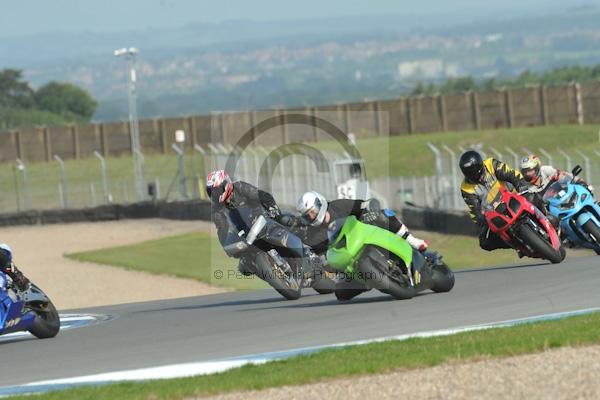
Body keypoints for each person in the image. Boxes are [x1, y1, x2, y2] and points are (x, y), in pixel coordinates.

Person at [293, 191, 430, 300]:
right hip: (350, 262)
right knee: (341, 294)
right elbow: (319, 255)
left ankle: (411, 240)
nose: (311, 216)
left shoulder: (339, 206)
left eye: (313, 211)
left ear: (320, 204)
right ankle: (368, 281)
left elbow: (363, 205)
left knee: (383, 214)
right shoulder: (312, 233)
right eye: (307, 216)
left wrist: (371, 210)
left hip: (364, 236)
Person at [206, 170, 314, 279]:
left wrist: (272, 208)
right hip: (246, 234)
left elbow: (261, 195)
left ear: (226, 184)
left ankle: (306, 248)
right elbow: (222, 229)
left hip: (263, 217)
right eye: (212, 192)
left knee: (284, 220)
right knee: (244, 266)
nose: (215, 194)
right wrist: (227, 246)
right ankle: (275, 275)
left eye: (217, 190)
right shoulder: (217, 211)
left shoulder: (239, 187)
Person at [459, 150, 531, 253]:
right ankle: (517, 246)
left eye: (480, 173)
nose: (480, 178)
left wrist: (521, 186)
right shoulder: (466, 189)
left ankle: (548, 217)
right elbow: (475, 212)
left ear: (482, 166)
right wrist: (484, 222)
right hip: (494, 214)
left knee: (533, 197)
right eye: (474, 177)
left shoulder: (491, 164)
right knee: (485, 242)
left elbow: (511, 174)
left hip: (513, 197)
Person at [520, 154, 593, 195]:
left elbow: (562, 174)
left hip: (565, 195)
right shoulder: (528, 189)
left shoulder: (545, 170)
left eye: (530, 171)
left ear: (537, 168)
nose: (527, 174)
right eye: (525, 172)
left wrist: (578, 181)